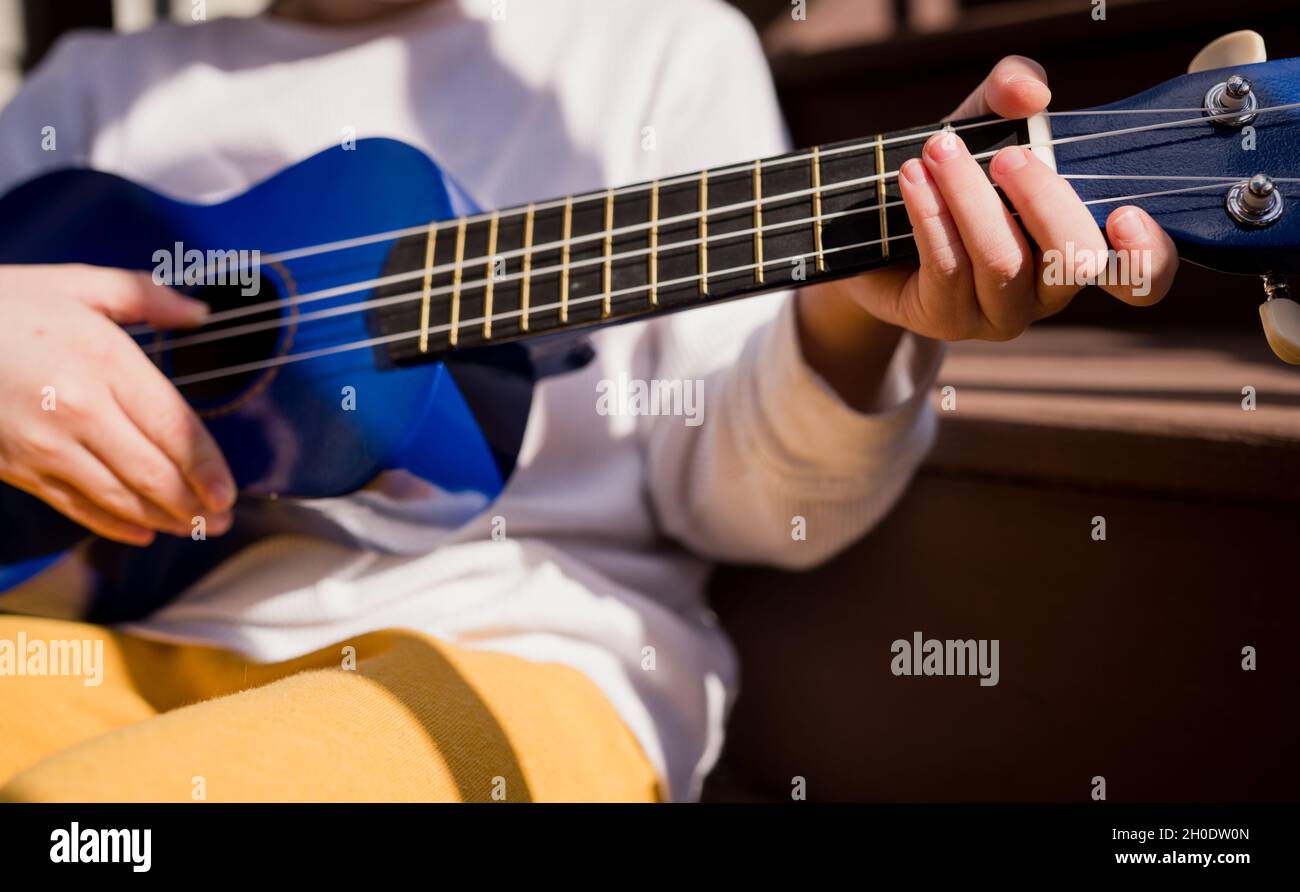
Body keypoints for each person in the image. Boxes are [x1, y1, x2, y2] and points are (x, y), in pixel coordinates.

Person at [0, 0, 1176, 802]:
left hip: (508, 649)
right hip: (90, 634)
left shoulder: (650, 44)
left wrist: (855, 320)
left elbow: (749, 504)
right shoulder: (96, 81)